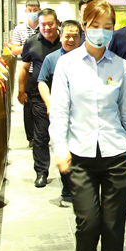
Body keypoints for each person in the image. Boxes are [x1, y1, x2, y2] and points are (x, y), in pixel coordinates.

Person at [49, 0, 126, 251]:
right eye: (95, 26)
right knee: (88, 224)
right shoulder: (67, 64)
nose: (101, 32)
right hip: (80, 155)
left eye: (108, 27)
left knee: (113, 227)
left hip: (116, 154)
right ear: (84, 25)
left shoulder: (120, 67)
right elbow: (59, 111)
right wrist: (59, 149)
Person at [37, 19, 83, 206]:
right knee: (63, 147)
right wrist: (50, 103)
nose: (71, 40)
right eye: (67, 36)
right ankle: (67, 188)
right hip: (62, 111)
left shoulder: (88, 58)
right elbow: (42, 82)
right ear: (61, 36)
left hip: (82, 113)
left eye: (75, 36)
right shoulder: (52, 58)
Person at [19, 8, 62, 188]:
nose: (46, 27)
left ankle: (69, 173)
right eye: (43, 24)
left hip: (65, 96)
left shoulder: (67, 41)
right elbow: (24, 68)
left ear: (57, 23)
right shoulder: (31, 43)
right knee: (41, 136)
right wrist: (21, 90)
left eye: (50, 24)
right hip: (38, 96)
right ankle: (41, 172)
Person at [11, 0, 41, 148]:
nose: (32, 13)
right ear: (25, 11)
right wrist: (30, 46)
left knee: (42, 105)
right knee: (28, 106)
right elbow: (14, 50)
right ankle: (31, 137)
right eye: (30, 10)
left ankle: (42, 135)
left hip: (42, 71)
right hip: (27, 71)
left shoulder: (45, 27)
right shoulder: (19, 29)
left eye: (35, 10)